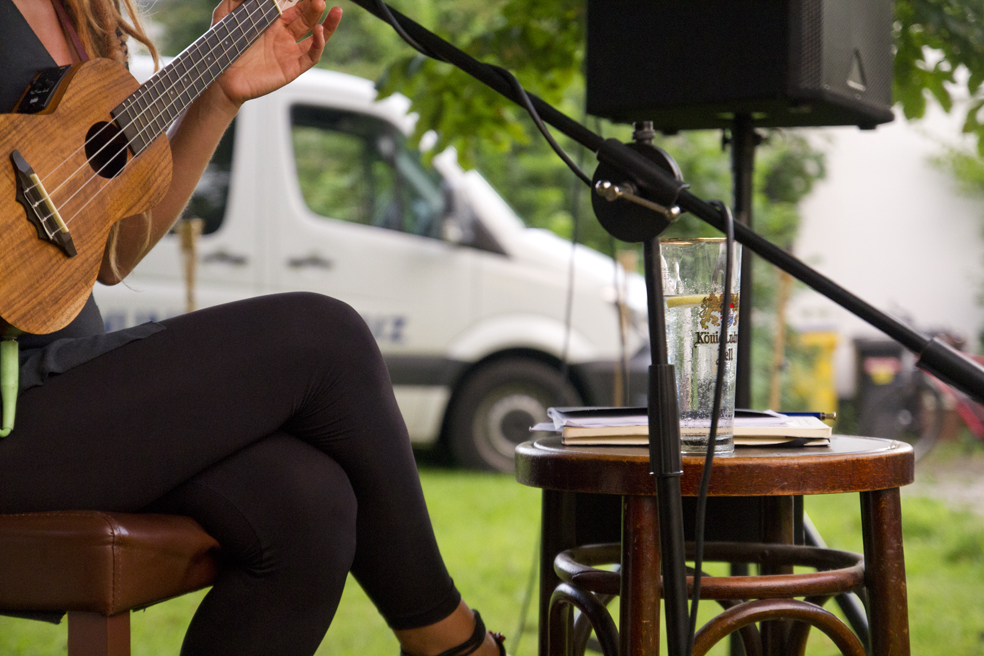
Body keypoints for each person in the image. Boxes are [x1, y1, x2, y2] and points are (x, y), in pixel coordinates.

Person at [0, 1, 508, 655]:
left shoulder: (84, 15)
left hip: (63, 377)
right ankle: (454, 643)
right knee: (325, 337)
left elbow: (113, 254)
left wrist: (219, 98)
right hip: (14, 414)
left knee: (307, 504)